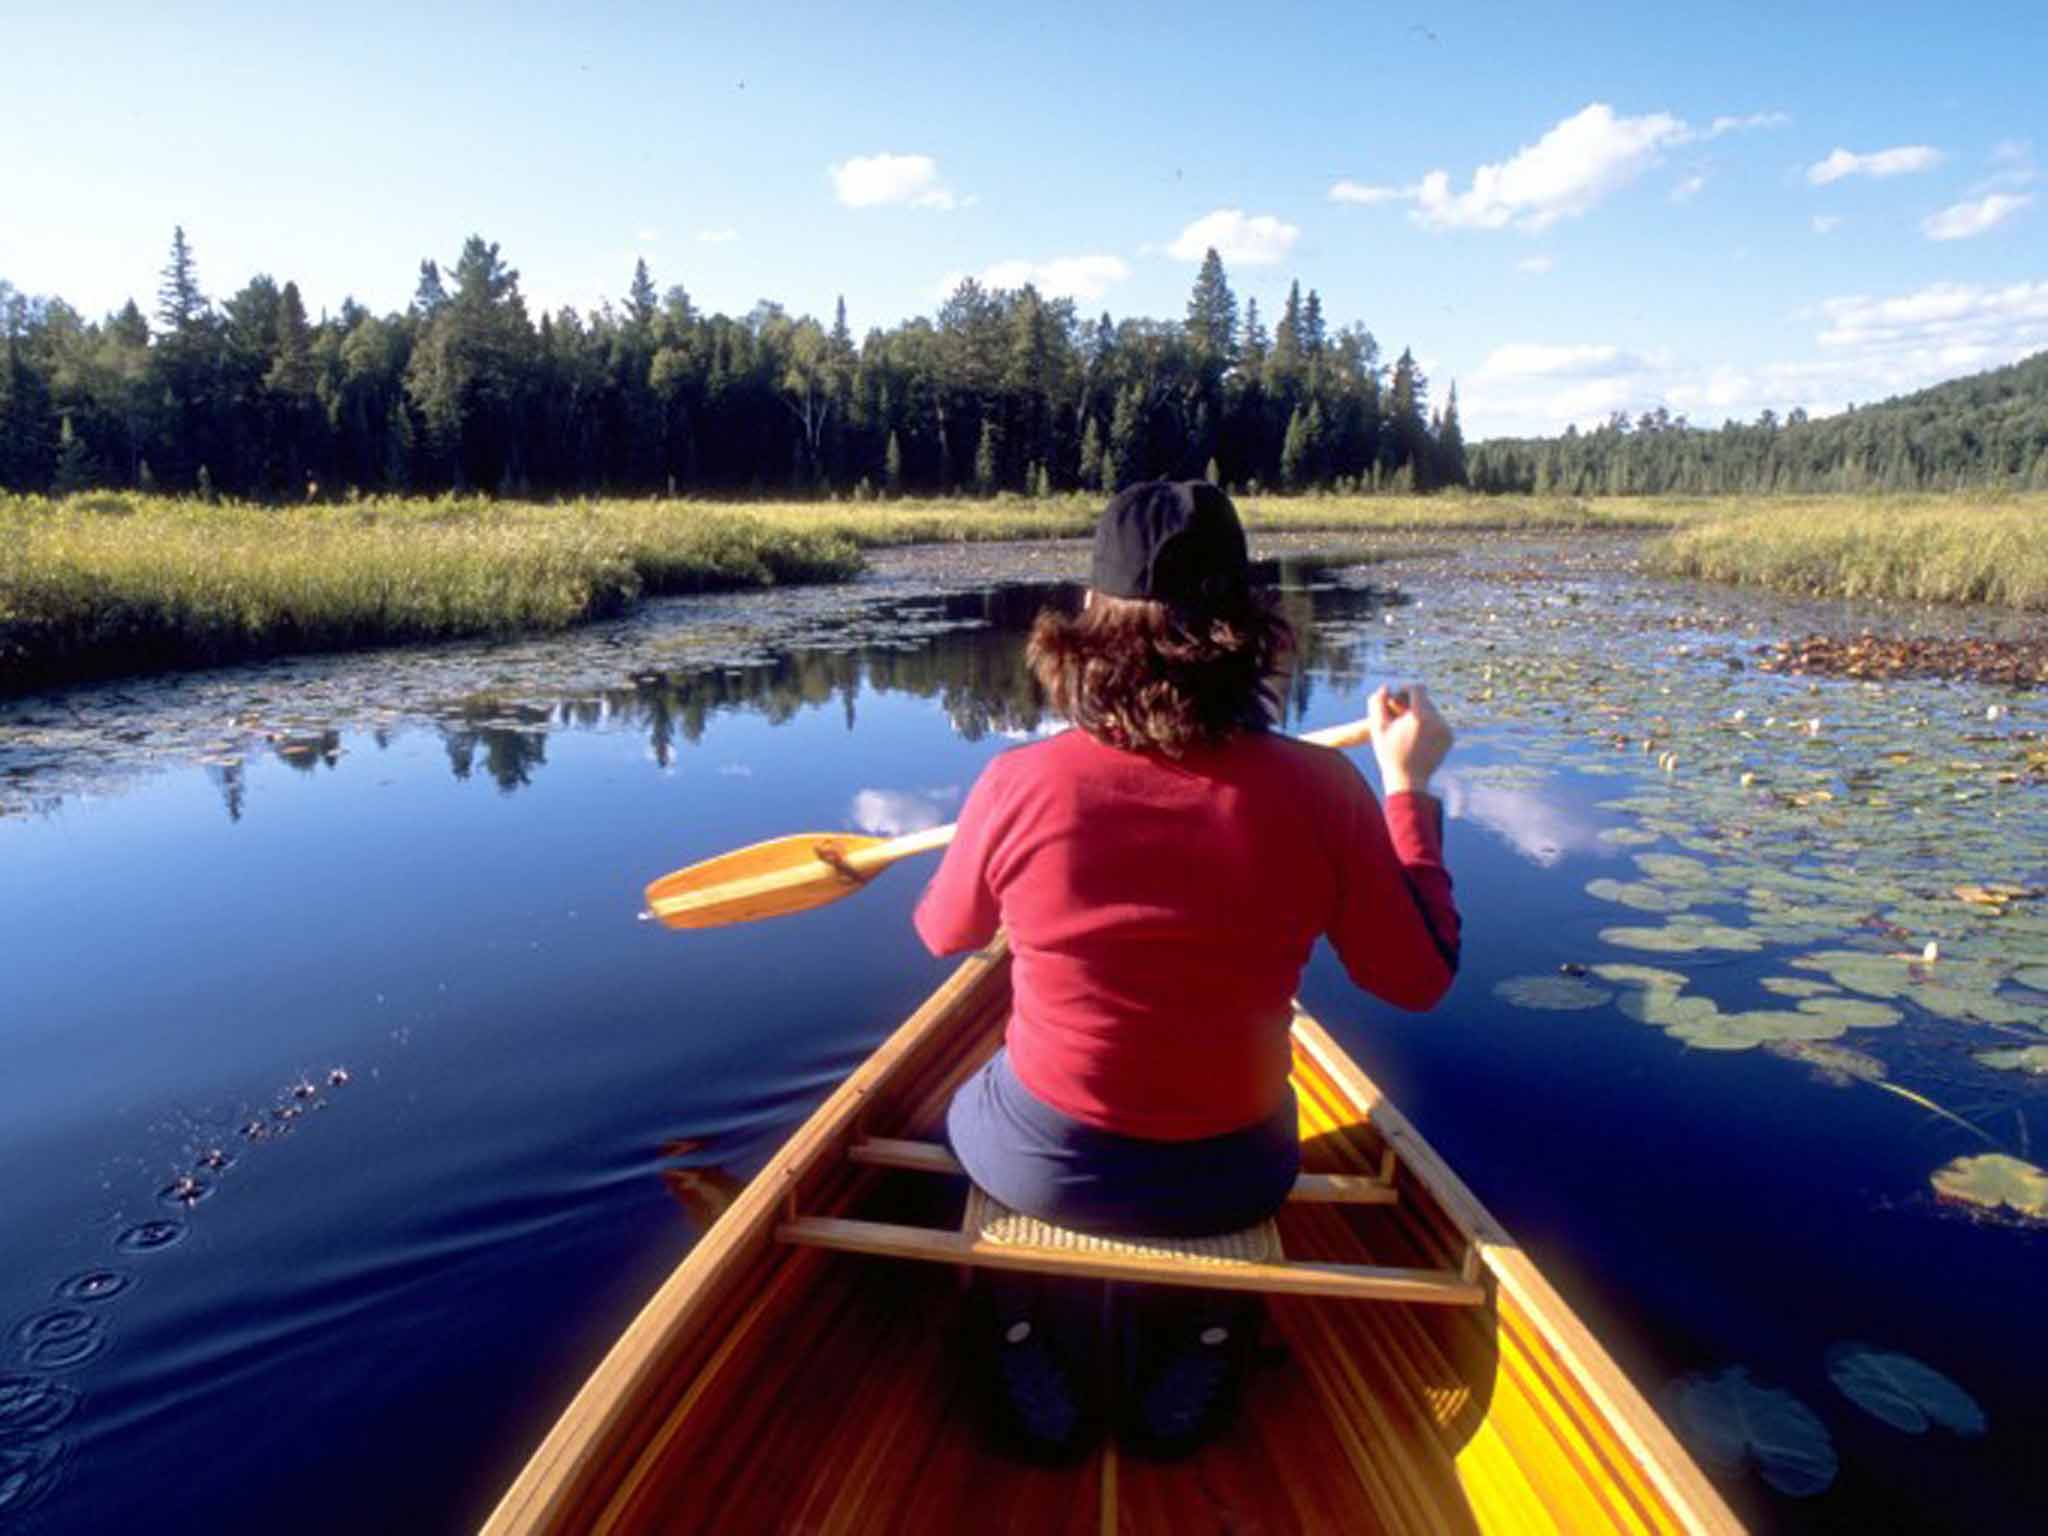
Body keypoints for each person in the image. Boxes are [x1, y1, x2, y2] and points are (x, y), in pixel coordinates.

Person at [912, 479, 1459, 1456]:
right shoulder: (1323, 789)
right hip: (1233, 1172)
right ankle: (1208, 1335)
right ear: (1247, 624)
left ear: (1085, 627)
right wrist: (1405, 790)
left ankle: (1019, 1326)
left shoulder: (1017, 781)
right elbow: (1416, 980)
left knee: (959, 1105)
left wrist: (1004, 839)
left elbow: (943, 935)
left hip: (1041, 1163)